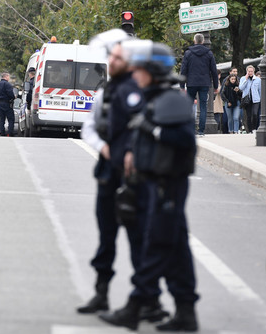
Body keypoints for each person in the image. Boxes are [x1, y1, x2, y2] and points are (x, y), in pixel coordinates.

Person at [78, 30, 168, 324]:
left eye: (116, 57)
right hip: (108, 174)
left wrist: (130, 151)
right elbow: (88, 128)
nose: (110, 61)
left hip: (134, 178)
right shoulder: (105, 92)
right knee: (106, 238)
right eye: (111, 56)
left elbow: (142, 127)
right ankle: (101, 292)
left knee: (138, 239)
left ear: (129, 62)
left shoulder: (137, 89)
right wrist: (103, 147)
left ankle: (148, 300)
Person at [118, 40, 199, 332]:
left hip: (168, 185)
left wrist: (151, 129)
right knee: (175, 248)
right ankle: (185, 311)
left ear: (152, 72)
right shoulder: (155, 98)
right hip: (156, 184)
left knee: (157, 244)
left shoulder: (172, 100)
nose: (135, 75)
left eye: (139, 70)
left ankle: (136, 304)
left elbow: (184, 142)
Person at [179, 33, 219, 136]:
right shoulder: (209, 53)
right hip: (204, 83)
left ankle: (191, 129)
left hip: (191, 82)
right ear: (202, 41)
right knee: (203, 107)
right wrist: (215, 86)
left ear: (194, 41)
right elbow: (214, 71)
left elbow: (183, 70)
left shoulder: (188, 53)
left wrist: (182, 86)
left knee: (190, 105)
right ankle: (201, 131)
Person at [239, 65, 261, 133]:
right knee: (248, 115)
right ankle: (250, 130)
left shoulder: (258, 79)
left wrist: (260, 99)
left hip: (256, 99)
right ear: (247, 72)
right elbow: (241, 88)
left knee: (255, 114)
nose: (250, 73)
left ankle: (254, 128)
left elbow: (260, 90)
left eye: (251, 71)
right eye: (249, 71)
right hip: (247, 100)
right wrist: (246, 79)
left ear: (254, 71)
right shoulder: (243, 78)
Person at [0, 72, 16, 136]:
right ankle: (10, 132)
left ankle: (2, 133)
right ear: (6, 77)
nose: (9, 78)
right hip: (7, 103)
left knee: (2, 119)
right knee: (11, 119)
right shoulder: (7, 85)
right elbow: (11, 94)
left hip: (0, 104)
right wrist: (14, 97)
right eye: (8, 77)